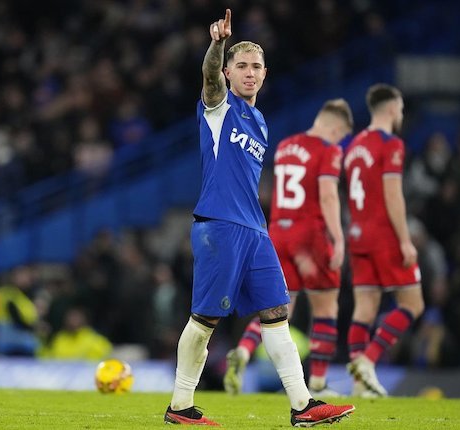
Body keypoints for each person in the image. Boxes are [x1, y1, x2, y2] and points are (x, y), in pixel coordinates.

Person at [163, 9, 355, 427]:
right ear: (230, 73)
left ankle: (303, 405)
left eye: (255, 67)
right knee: (206, 319)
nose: (248, 73)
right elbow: (208, 77)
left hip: (255, 230)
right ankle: (180, 406)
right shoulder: (218, 105)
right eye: (241, 66)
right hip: (220, 226)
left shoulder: (262, 123)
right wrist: (216, 46)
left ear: (265, 74)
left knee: (276, 312)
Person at [223, 98, 353, 397]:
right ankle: (318, 384)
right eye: (341, 135)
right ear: (335, 127)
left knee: (279, 307)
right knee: (326, 306)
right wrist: (339, 237)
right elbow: (328, 196)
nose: (340, 142)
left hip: (279, 232)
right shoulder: (329, 150)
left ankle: (243, 350)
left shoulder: (285, 146)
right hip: (310, 234)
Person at [343, 83, 425, 397]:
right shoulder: (391, 144)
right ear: (392, 108)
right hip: (383, 235)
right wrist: (405, 240)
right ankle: (368, 360)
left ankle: (358, 385)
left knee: (365, 307)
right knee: (413, 303)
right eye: (401, 109)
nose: (401, 114)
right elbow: (392, 194)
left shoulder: (354, 146)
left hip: (358, 233)